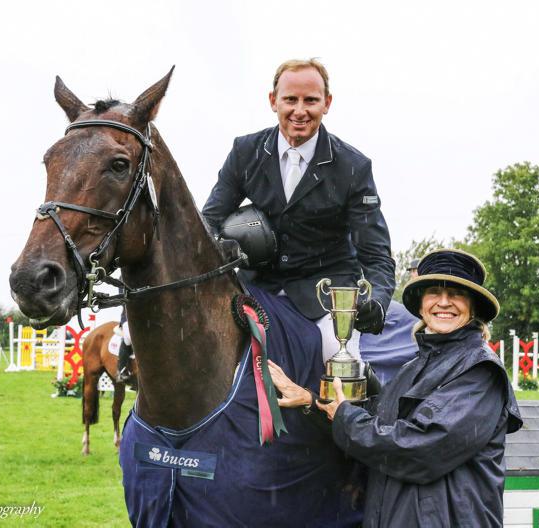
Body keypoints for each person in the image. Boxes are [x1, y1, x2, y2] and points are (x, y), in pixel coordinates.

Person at [269, 249, 522, 527]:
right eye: (434, 292)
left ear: (473, 307)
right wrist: (310, 400)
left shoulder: (481, 372)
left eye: (456, 294)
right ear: (422, 304)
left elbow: (420, 449)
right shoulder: (412, 368)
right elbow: (375, 422)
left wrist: (344, 417)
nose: (444, 302)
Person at [202, 58, 396, 364]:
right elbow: (209, 222)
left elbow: (376, 254)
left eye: (311, 100)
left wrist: (379, 302)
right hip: (256, 287)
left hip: (326, 296)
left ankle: (367, 393)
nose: (300, 110)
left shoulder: (354, 167)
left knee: (338, 358)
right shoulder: (245, 152)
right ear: (273, 101)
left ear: (327, 103)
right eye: (290, 99)